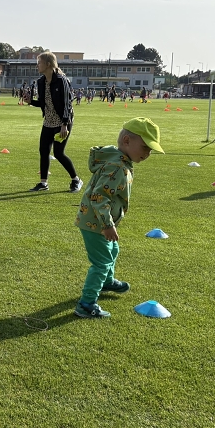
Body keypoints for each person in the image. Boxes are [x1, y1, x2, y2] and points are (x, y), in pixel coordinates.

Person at [74, 117, 164, 318]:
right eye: (145, 147)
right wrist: (107, 224)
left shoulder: (120, 161)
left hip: (100, 220)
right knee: (102, 262)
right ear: (126, 141)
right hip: (96, 221)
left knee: (113, 250)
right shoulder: (117, 167)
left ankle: (106, 281)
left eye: (150, 150)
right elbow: (99, 197)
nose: (147, 154)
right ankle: (86, 303)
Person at [28, 51, 83, 193]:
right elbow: (43, 103)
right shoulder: (40, 82)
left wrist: (64, 124)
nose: (37, 66)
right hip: (48, 121)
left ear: (48, 64)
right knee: (44, 151)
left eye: (39, 62)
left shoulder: (61, 80)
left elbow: (67, 104)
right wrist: (30, 102)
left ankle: (76, 180)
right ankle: (43, 183)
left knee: (58, 153)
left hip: (62, 121)